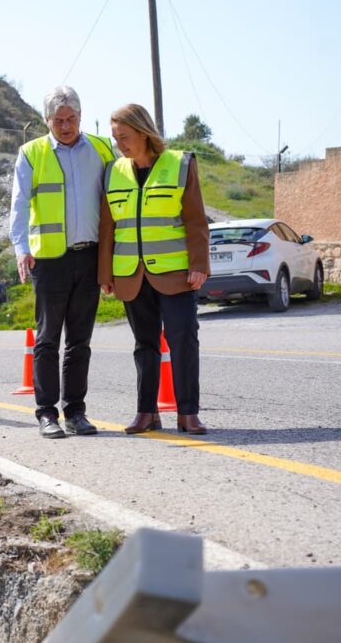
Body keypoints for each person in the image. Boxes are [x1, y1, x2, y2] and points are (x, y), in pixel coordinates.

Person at [9, 86, 115, 439]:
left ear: (81, 117)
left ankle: (76, 411)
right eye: (59, 120)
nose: (66, 126)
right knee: (48, 339)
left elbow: (115, 201)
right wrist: (21, 247)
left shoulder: (101, 149)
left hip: (89, 255)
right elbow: (19, 204)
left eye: (71, 119)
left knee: (80, 341)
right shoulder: (31, 152)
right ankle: (46, 413)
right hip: (49, 260)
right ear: (46, 121)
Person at [99, 104, 210, 435]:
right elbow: (107, 228)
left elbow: (195, 219)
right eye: (116, 137)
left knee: (183, 341)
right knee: (144, 345)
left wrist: (199, 264)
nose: (120, 144)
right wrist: (105, 274)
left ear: (144, 133)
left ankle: (188, 413)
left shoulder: (179, 164)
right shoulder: (112, 171)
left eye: (125, 137)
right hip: (131, 274)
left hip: (176, 274)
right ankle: (146, 412)